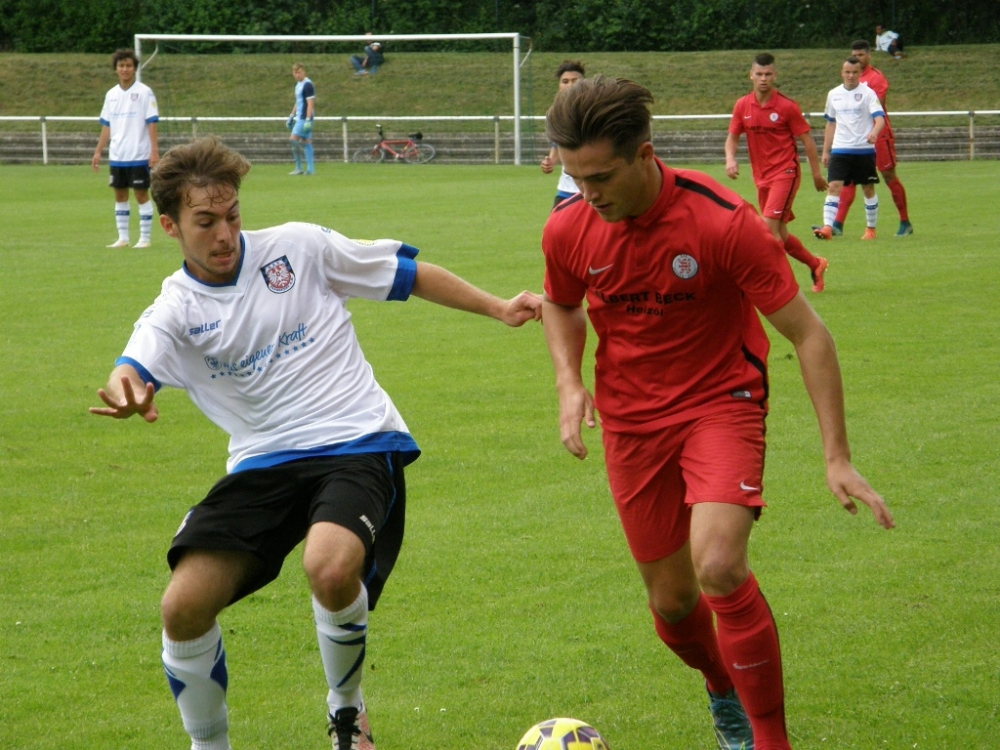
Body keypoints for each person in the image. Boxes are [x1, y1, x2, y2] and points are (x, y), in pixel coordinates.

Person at [88, 136, 542, 750]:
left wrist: (499, 307)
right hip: (262, 461)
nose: (224, 234)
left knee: (328, 565)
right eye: (205, 222)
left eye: (232, 216)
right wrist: (125, 388)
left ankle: (347, 714)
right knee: (182, 607)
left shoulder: (298, 247)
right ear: (169, 225)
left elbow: (407, 275)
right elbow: (133, 365)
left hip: (355, 439)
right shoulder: (174, 309)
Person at [541, 77, 894, 750]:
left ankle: (770, 740)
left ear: (645, 154)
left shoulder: (722, 222)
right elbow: (560, 302)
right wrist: (568, 381)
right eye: (576, 178)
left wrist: (837, 457)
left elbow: (809, 334)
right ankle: (720, 684)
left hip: (719, 402)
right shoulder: (569, 229)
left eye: (601, 177)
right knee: (672, 605)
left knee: (720, 565)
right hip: (631, 421)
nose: (589, 193)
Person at [725, 53, 830, 293]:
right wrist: (730, 159)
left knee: (767, 232)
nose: (763, 79)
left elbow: (807, 140)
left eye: (768, 74)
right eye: (759, 74)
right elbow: (732, 137)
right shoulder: (743, 105)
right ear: (751, 75)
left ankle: (782, 286)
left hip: (785, 172)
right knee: (780, 232)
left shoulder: (786, 106)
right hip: (761, 177)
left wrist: (815, 174)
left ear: (775, 76)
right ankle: (816, 265)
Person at [825, 40, 913, 237]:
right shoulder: (846, 82)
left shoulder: (876, 78)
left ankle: (905, 221)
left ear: (868, 55)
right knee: (847, 181)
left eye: (861, 55)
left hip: (878, 137)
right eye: (854, 55)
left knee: (888, 176)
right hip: (853, 140)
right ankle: (837, 224)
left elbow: (876, 109)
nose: (857, 58)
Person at [91, 48, 160, 249]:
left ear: (135, 68)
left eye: (129, 65)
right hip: (117, 155)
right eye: (121, 65)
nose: (125, 69)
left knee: (140, 194)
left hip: (139, 153)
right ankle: (123, 238)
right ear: (116, 69)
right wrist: (98, 150)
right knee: (120, 195)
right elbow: (107, 125)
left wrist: (154, 151)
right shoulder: (111, 95)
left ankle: (145, 238)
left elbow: (152, 122)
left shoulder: (145, 92)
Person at [813, 57, 886, 241]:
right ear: (842, 72)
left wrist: (875, 132)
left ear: (860, 73)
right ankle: (828, 227)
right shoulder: (833, 94)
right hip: (840, 149)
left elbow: (880, 119)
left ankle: (870, 229)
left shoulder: (868, 93)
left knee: (868, 188)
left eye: (854, 72)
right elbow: (830, 124)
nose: (851, 75)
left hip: (863, 149)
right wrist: (825, 151)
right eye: (847, 72)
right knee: (834, 186)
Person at [540, 60, 586, 207]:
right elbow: (558, 146)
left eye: (575, 81)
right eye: (565, 81)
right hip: (566, 189)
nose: (570, 85)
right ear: (559, 86)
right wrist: (550, 161)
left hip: (591, 188)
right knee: (554, 229)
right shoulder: (555, 114)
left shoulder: (594, 111)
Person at [288, 63, 315, 175]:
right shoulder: (298, 85)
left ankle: (298, 167)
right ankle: (310, 169)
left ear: (304, 72)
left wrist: (308, 119)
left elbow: (310, 103)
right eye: (295, 73)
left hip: (304, 118)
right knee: (306, 142)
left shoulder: (307, 85)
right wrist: (291, 115)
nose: (297, 75)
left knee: (293, 139)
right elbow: (298, 102)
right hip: (300, 117)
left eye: (299, 72)